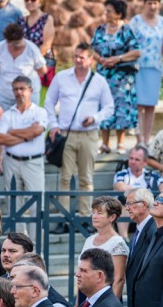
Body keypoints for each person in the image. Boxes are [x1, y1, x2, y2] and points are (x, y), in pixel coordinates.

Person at [46, 42, 115, 231]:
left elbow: (109, 107)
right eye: (76, 56)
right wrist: (53, 125)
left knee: (86, 178)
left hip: (89, 134)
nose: (77, 60)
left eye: (82, 57)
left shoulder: (99, 81)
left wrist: (95, 118)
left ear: (91, 60)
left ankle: (86, 218)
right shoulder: (62, 77)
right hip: (66, 134)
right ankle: (63, 219)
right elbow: (49, 102)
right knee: (65, 177)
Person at [91, 0, 141, 153]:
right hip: (103, 75)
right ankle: (105, 143)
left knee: (121, 107)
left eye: (109, 11)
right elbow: (91, 49)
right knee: (103, 105)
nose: (106, 14)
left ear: (119, 14)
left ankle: (120, 143)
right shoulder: (100, 30)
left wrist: (117, 58)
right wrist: (101, 60)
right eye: (105, 11)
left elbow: (136, 52)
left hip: (122, 77)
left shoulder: (127, 30)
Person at [0, 76, 47, 199]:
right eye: (15, 89)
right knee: (13, 202)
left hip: (33, 161)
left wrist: (12, 131)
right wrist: (27, 136)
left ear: (31, 90)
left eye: (22, 89)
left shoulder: (40, 112)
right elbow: (0, 138)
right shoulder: (7, 114)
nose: (19, 92)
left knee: (36, 202)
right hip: (11, 161)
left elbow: (37, 131)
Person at [130, 0, 163, 145]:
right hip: (138, 68)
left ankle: (147, 140)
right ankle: (139, 139)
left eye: (155, 3)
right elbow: (129, 45)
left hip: (155, 68)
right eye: (149, 3)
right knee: (138, 105)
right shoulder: (136, 22)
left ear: (159, 4)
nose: (152, 6)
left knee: (150, 105)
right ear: (144, 3)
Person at [0, 23, 48, 112]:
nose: (15, 46)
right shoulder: (1, 47)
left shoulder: (31, 49)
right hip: (6, 94)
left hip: (27, 96)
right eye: (11, 44)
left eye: (17, 43)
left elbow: (43, 70)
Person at [81, 196, 129, 299]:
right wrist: (78, 301)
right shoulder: (89, 240)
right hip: (84, 297)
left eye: (99, 213)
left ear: (112, 217)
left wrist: (111, 305)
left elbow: (119, 280)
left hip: (105, 298)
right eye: (93, 212)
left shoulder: (118, 243)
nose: (94, 216)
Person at [17, 0, 56, 89]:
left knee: (41, 94)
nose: (29, 2)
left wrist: (31, 61)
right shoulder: (21, 20)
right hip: (24, 64)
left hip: (42, 63)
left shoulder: (47, 19)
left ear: (40, 2)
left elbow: (46, 44)